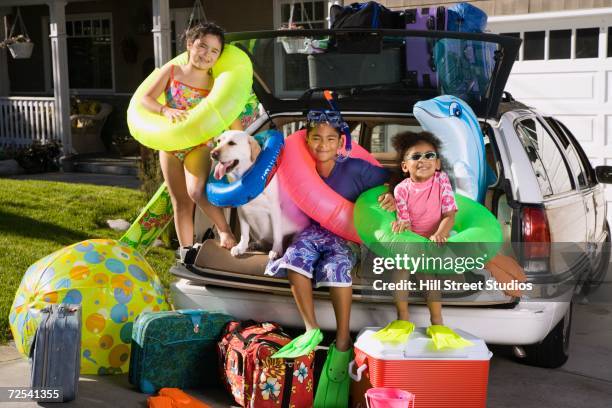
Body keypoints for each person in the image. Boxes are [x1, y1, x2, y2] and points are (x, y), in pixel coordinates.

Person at [265, 110, 393, 407]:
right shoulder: (302, 164)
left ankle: (343, 339)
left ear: (341, 143)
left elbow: (390, 181)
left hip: (349, 233)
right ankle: (311, 327)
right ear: (307, 140)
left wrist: (390, 193)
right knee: (295, 255)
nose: (323, 144)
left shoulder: (356, 168)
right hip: (316, 230)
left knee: (338, 266)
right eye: (316, 138)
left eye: (330, 139)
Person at [140, 23, 241, 263]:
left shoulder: (216, 83)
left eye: (214, 51)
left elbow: (229, 112)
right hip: (171, 145)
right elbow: (145, 98)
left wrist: (240, 138)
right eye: (202, 46)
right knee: (180, 201)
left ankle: (225, 231)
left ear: (218, 57)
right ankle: (187, 250)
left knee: (196, 191)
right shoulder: (172, 72)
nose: (206, 54)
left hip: (198, 145)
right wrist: (164, 110)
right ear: (189, 45)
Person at [373, 131, 472, 349]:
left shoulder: (441, 181)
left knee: (430, 278)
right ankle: (403, 317)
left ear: (437, 164)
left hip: (436, 236)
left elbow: (449, 215)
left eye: (429, 156)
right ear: (405, 166)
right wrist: (401, 225)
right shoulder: (401, 189)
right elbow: (405, 219)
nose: (423, 160)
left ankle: (437, 321)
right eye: (415, 157)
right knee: (400, 269)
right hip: (414, 239)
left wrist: (441, 233)